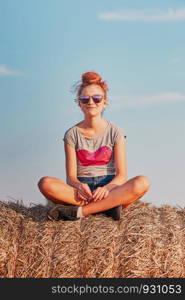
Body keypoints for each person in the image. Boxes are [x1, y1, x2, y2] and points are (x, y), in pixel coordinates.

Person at [38, 71, 151, 221]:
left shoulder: (115, 132)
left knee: (142, 182)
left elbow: (121, 175)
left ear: (105, 102)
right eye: (85, 99)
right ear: (79, 103)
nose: (91, 102)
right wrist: (79, 186)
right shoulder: (72, 134)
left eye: (97, 98)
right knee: (45, 183)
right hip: (82, 192)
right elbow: (71, 177)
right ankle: (106, 208)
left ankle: (79, 212)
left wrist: (106, 189)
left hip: (110, 189)